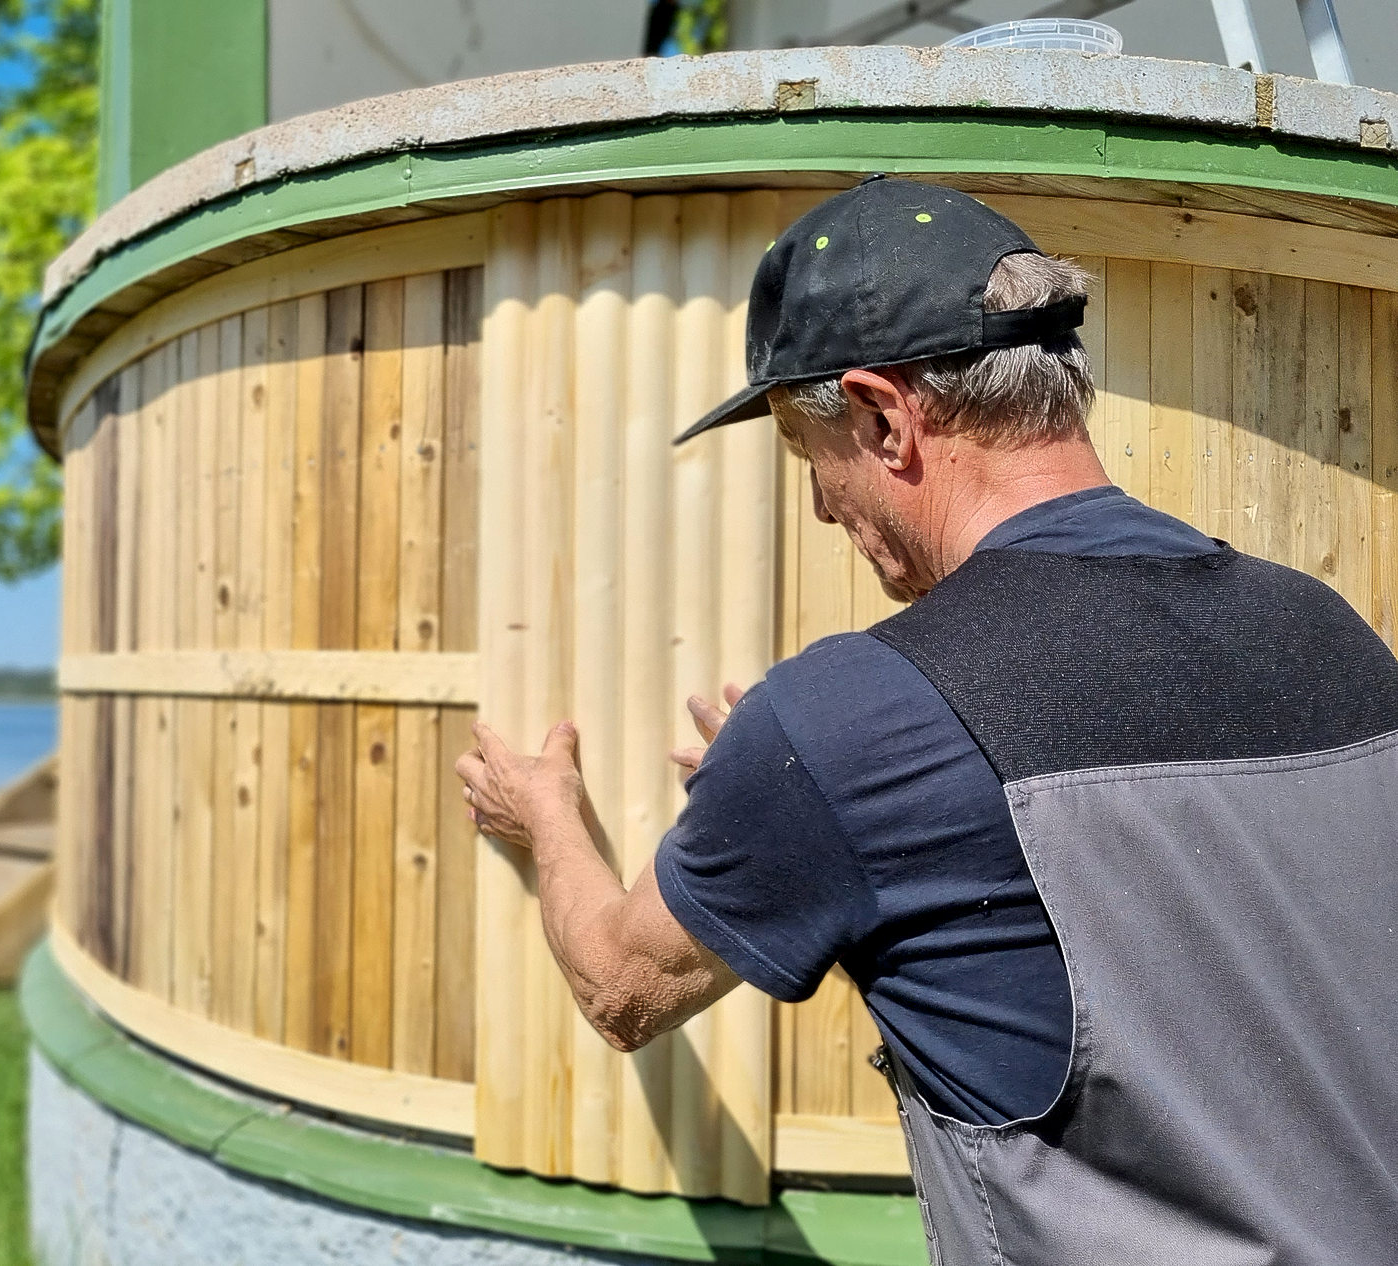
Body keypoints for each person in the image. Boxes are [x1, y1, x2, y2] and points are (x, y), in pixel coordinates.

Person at [454, 175, 1398, 1263]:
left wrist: (549, 816)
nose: (819, 507)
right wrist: (830, 806)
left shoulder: (852, 723)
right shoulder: (1326, 628)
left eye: (810, 461)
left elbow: (621, 989)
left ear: (882, 415)